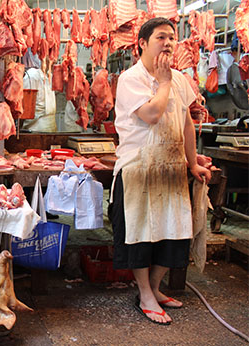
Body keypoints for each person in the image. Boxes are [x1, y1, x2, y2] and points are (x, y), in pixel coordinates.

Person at [109, 18, 211, 326]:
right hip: (139, 168)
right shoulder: (131, 79)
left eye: (172, 38)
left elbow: (186, 124)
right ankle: (145, 294)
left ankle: (154, 288)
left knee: (174, 233)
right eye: (161, 37)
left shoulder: (180, 79)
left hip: (171, 167)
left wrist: (192, 163)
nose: (168, 43)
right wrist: (164, 82)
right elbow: (152, 115)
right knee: (140, 236)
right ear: (142, 42)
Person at [21, 49, 57, 132]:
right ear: (42, 56)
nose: (54, 59)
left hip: (51, 125)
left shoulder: (49, 75)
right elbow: (24, 106)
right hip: (35, 127)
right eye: (50, 55)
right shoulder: (32, 75)